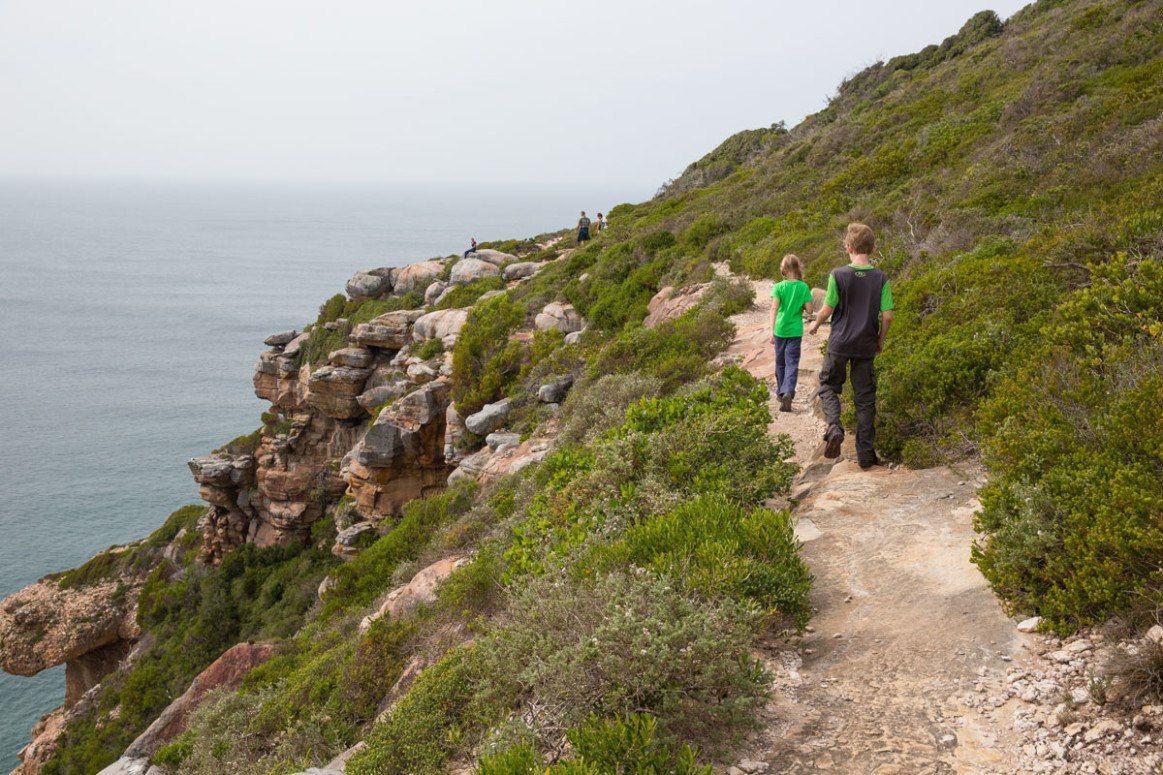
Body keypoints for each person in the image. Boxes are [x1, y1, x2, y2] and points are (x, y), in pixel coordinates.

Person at [807, 223, 894, 469]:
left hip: (839, 343)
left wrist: (815, 324)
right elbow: (888, 316)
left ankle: (834, 426)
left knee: (828, 386)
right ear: (872, 248)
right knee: (865, 399)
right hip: (865, 345)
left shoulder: (838, 275)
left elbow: (828, 308)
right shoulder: (881, 278)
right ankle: (866, 456)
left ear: (848, 247)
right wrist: (879, 340)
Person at [770, 254, 814, 413]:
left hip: (780, 329)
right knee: (792, 363)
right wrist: (802, 306)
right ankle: (788, 391)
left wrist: (771, 331)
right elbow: (810, 310)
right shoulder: (803, 287)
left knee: (780, 363)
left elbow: (774, 308)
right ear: (797, 268)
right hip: (795, 331)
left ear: (784, 269)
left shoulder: (778, 287)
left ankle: (782, 394)